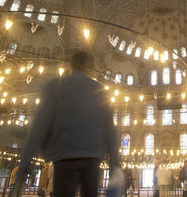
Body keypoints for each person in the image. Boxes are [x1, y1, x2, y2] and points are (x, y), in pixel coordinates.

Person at [10, 51, 119, 197]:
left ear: (71, 65)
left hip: (65, 157)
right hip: (92, 159)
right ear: (89, 67)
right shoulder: (99, 90)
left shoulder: (56, 86)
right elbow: (111, 131)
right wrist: (115, 166)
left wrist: (23, 166)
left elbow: (39, 128)